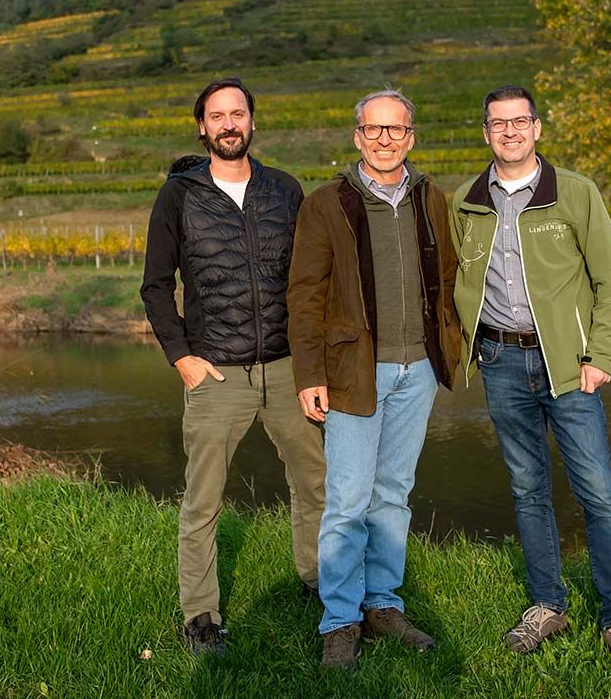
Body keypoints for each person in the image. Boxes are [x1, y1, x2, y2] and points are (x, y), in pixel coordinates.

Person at [450, 84, 611, 679]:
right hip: (500, 362)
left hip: (568, 367)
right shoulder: (468, 202)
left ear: (537, 128)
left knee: (598, 493)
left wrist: (602, 355)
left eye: (520, 121)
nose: (509, 131)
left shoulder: (575, 193)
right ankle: (548, 605)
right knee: (527, 489)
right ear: (485, 132)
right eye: (498, 123)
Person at [140, 76, 326, 656]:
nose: (228, 124)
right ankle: (201, 618)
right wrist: (183, 358)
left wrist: (313, 358)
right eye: (217, 115)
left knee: (315, 485)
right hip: (216, 372)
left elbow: (308, 281)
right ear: (202, 126)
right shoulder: (180, 196)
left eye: (237, 113)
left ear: (252, 122)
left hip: (288, 367)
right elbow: (153, 286)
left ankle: (320, 584)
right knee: (203, 501)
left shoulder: (285, 190)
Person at [288, 88, 461, 672]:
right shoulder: (326, 204)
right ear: (358, 135)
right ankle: (340, 620)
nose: (385, 139)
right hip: (354, 371)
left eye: (396, 130)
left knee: (393, 495)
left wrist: (450, 352)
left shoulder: (431, 198)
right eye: (373, 129)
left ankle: (383, 603)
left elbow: (451, 278)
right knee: (346, 500)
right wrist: (309, 373)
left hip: (418, 372)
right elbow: (305, 296)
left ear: (410, 137)